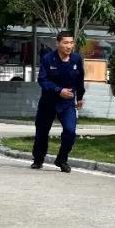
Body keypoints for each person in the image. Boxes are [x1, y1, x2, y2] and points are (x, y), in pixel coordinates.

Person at [31, 30, 85, 172]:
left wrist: (80, 97)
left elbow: (80, 79)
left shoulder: (76, 59)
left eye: (71, 43)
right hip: (48, 102)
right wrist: (58, 90)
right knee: (42, 132)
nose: (69, 46)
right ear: (58, 43)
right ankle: (38, 159)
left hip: (67, 104)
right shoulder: (48, 59)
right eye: (65, 42)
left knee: (70, 131)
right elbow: (42, 80)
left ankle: (61, 159)